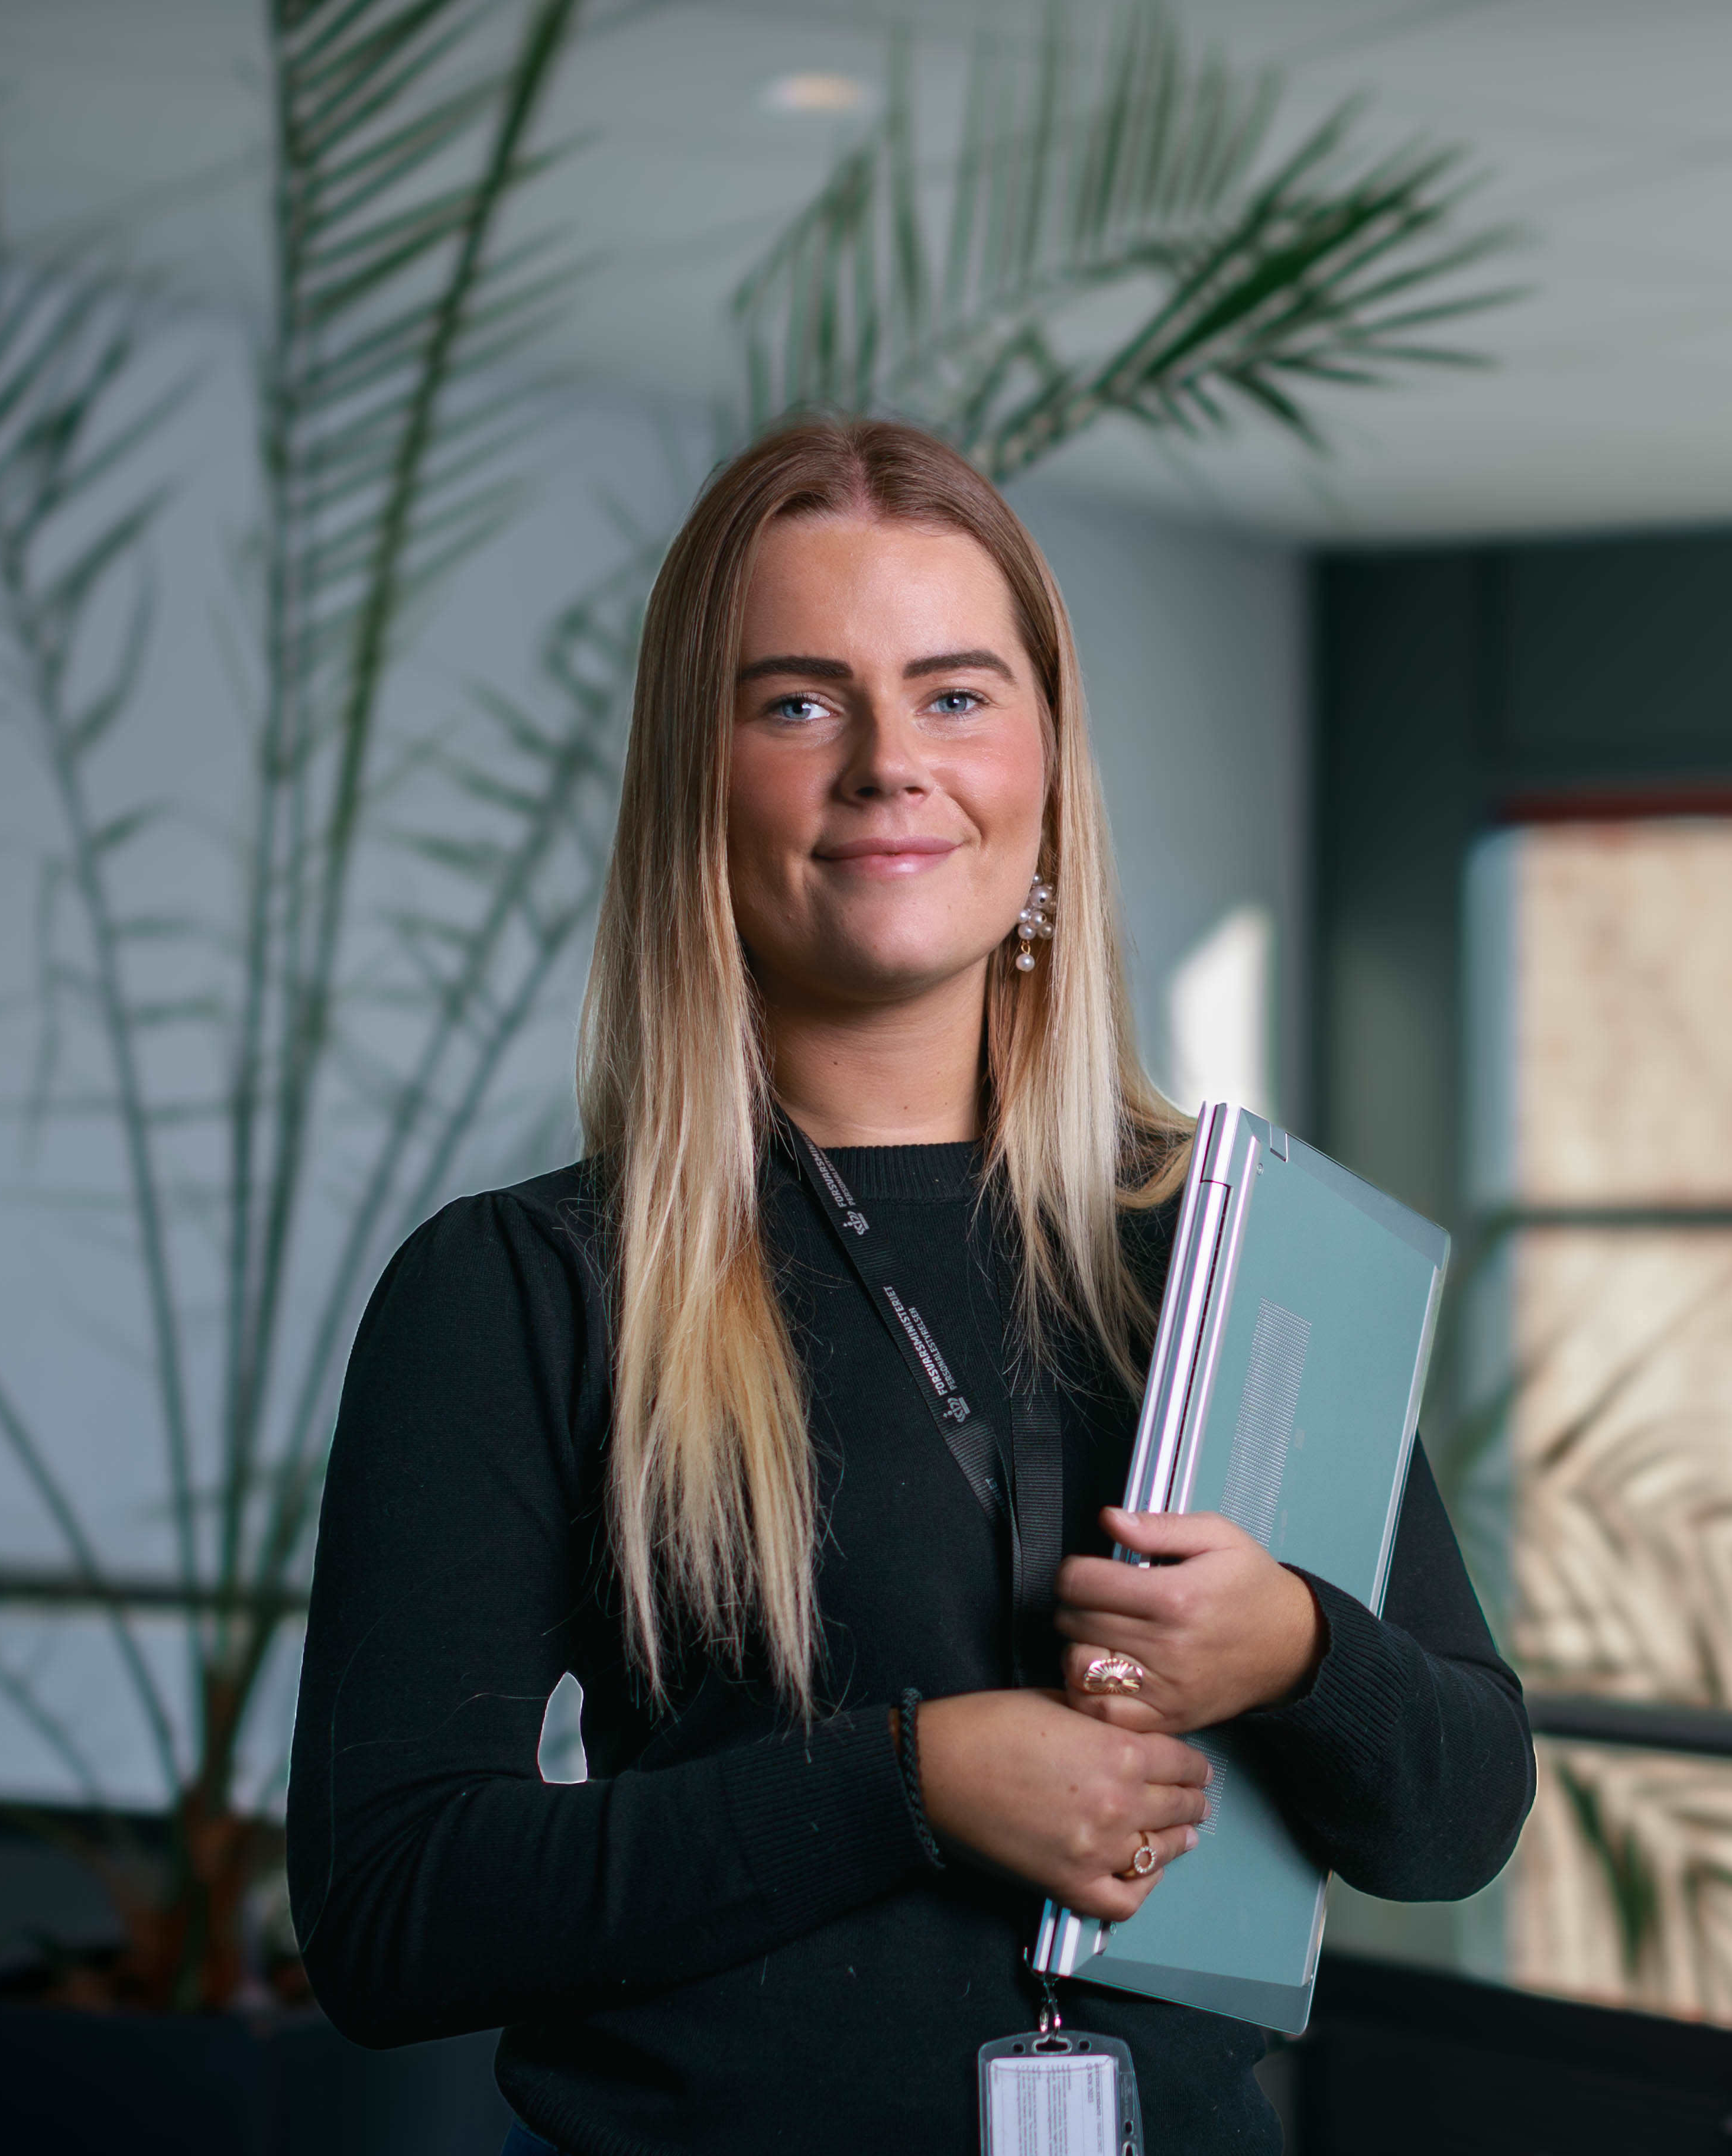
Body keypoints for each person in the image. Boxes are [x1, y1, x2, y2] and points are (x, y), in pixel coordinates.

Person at [287, 417, 1534, 2152]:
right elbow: (393, 1913)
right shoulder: (526, 1290)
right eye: (798, 702)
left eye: (955, 695)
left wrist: (1299, 1651)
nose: (889, 763)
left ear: (1041, 764)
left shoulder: (1219, 1249)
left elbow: (1457, 1820)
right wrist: (902, 1783)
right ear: (692, 785)